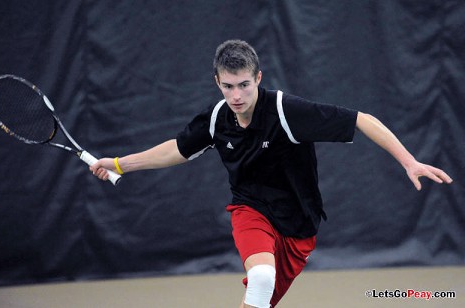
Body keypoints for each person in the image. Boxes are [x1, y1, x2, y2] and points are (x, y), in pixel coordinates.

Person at [89, 40, 453, 308]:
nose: (236, 95)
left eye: (244, 84)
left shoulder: (285, 112)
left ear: (258, 78)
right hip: (251, 211)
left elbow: (363, 120)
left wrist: (409, 161)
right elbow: (175, 149)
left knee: (259, 300)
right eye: (228, 86)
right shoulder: (216, 118)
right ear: (217, 81)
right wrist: (119, 163)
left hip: (298, 226)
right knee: (261, 277)